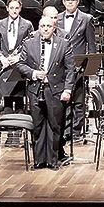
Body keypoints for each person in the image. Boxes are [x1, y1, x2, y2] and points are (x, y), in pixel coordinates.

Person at [16, 12, 76, 170]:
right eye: (43, 26)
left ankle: (52, 160)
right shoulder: (29, 43)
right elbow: (21, 64)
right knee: (37, 125)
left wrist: (68, 90)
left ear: (54, 27)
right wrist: (34, 74)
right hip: (36, 89)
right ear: (38, 27)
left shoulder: (64, 44)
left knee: (55, 126)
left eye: (49, 26)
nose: (45, 29)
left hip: (55, 90)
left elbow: (70, 70)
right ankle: (39, 160)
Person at [58, 0, 96, 142]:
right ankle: (65, 131)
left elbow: (91, 46)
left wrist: (90, 71)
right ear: (63, 1)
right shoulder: (58, 18)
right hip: (61, 66)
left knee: (79, 101)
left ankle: (76, 132)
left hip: (78, 66)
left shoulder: (86, 19)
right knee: (64, 99)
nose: (70, 2)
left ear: (78, 1)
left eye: (73, 0)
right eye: (67, 0)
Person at [0, 0, 34, 118]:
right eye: (12, 8)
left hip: (20, 66)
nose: (14, 10)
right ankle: (9, 130)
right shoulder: (0, 24)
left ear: (20, 8)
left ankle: (20, 129)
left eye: (17, 8)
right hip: (5, 66)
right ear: (7, 9)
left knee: (20, 101)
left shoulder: (27, 24)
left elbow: (31, 46)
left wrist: (19, 57)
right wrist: (2, 58)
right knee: (7, 103)